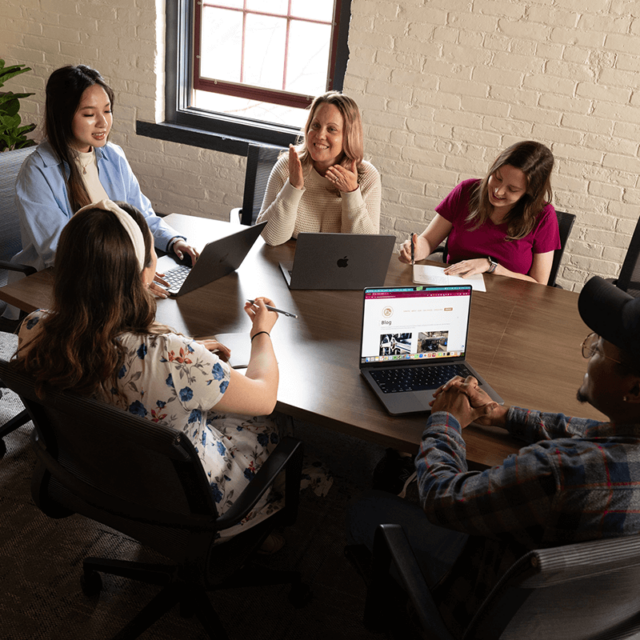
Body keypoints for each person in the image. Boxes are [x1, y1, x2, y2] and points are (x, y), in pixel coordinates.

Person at [348, 275, 640, 636]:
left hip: (485, 605)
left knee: (365, 509)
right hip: (581, 616)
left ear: (635, 388)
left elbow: (442, 499)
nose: (589, 353)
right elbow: (598, 435)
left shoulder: (557, 472)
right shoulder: (622, 451)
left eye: (597, 349)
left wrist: (446, 422)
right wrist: (503, 415)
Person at [13, 200, 281, 542]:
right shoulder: (171, 355)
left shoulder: (33, 327)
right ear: (144, 274)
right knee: (274, 422)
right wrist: (261, 331)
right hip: (195, 508)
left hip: (96, 477)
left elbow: (113, 348)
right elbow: (264, 396)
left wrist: (192, 353)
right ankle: (255, 525)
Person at [11, 64, 198, 299]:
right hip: (61, 286)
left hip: (120, 278)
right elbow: (61, 253)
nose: (103, 123)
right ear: (63, 115)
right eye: (89, 114)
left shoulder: (113, 156)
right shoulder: (37, 171)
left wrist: (174, 242)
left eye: (107, 111)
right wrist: (128, 281)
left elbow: (141, 217)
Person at [399, 141, 561, 285]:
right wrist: (414, 251)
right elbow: (428, 240)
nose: (498, 191)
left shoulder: (543, 216)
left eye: (512, 189)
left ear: (530, 192)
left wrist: (491, 266)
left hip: (508, 303)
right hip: (456, 288)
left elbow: (539, 284)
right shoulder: (466, 191)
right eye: (497, 178)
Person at [256, 91, 381, 246]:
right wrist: (293, 187)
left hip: (340, 265)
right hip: (288, 263)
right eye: (315, 126)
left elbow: (366, 247)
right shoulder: (289, 166)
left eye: (332, 129)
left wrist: (351, 194)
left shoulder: (368, 176)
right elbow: (271, 238)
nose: (320, 135)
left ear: (348, 136)